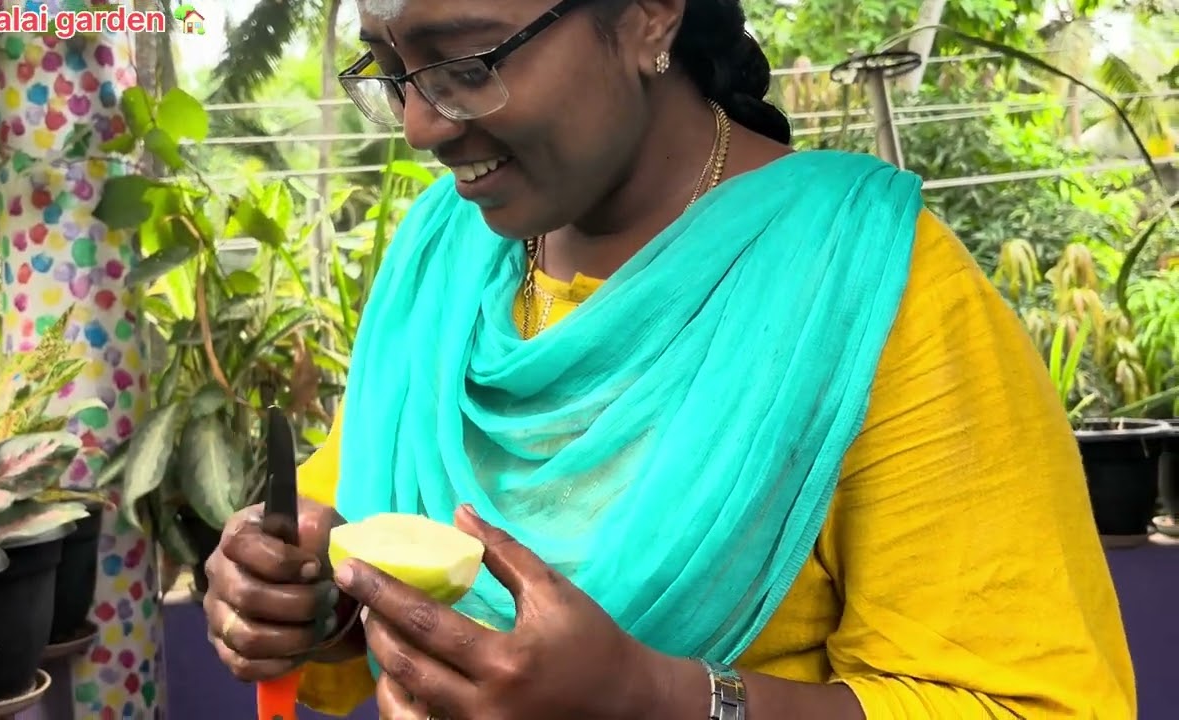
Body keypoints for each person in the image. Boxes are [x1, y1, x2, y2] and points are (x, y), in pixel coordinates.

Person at [201, 0, 1136, 717]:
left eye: (465, 62)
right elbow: (358, 536)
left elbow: (1025, 700)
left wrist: (654, 699)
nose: (418, 126)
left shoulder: (871, 290)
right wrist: (308, 599)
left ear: (650, 13)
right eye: (392, 68)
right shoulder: (441, 261)